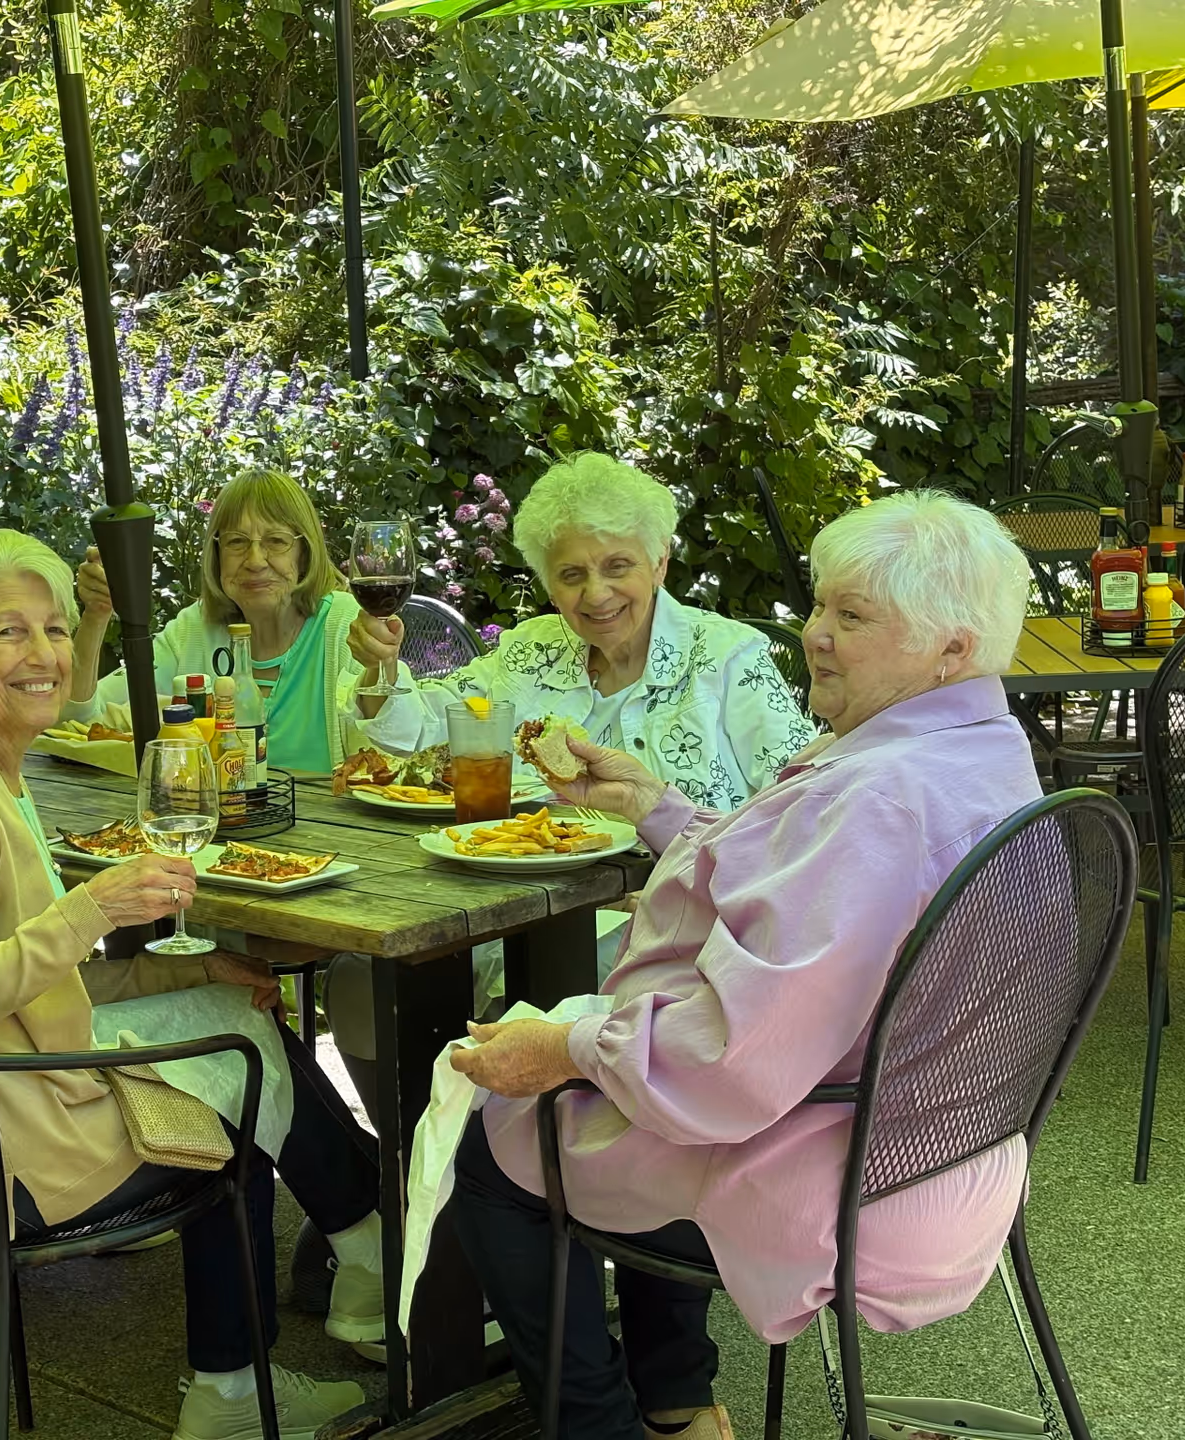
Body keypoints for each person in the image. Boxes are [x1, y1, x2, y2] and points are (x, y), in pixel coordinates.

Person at [441, 491, 1039, 1440]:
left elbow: (730, 1058)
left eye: (852, 618)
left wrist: (568, 1047)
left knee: (495, 1133)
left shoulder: (880, 793)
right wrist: (655, 805)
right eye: (821, 608)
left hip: (838, 1167)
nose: (816, 637)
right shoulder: (970, 747)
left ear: (952, 650)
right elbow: (804, 889)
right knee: (608, 1070)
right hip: (945, 1141)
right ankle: (677, 1403)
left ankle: (594, 1425)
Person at [0, 528, 385, 1440]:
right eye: (7, 633)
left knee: (236, 1012)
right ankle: (263, 1367)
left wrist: (200, 965)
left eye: (54, 629)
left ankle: (355, 1265)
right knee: (236, 1101)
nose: (46, 653)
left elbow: (36, 979)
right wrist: (90, 908)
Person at [325, 454, 817, 1114]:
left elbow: (795, 807)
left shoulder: (726, 658)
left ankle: (480, 1184)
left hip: (660, 930)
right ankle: (406, 1184)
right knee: (362, 982)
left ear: (659, 564)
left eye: (617, 566)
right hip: (508, 912)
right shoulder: (532, 649)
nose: (596, 594)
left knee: (504, 1010)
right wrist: (384, 669)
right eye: (572, 574)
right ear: (550, 587)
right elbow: (429, 730)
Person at [68, 468, 366, 775]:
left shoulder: (344, 624)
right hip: (211, 821)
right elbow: (79, 720)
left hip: (332, 824)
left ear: (304, 553)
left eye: (276, 541)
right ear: (216, 553)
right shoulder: (195, 628)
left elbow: (404, 742)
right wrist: (96, 615)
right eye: (236, 542)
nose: (254, 561)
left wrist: (384, 665)